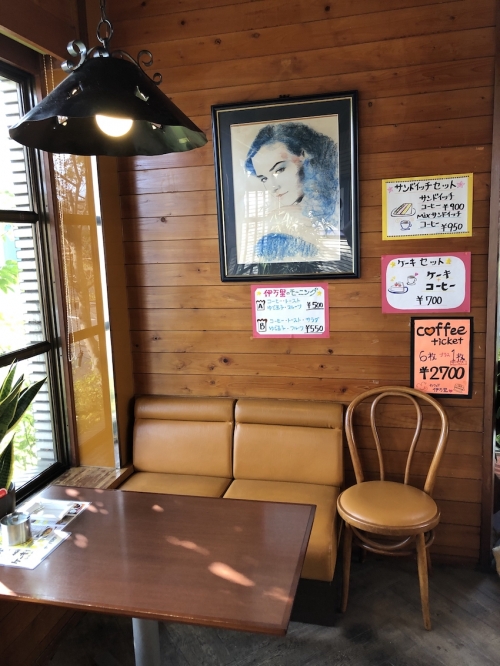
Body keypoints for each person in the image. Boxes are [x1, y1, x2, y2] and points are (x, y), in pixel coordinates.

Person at [243, 121, 339, 264]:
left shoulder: (332, 212)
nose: (272, 186)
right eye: (264, 178)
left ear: (304, 158)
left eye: (279, 170)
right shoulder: (276, 219)